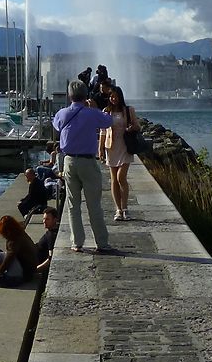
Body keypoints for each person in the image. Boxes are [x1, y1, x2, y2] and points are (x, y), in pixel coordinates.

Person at [52, 78, 117, 254]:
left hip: (69, 161)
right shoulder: (91, 113)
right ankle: (101, 243)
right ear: (86, 95)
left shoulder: (62, 113)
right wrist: (95, 108)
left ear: (69, 95)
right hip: (88, 161)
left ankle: (77, 242)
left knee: (73, 204)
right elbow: (108, 122)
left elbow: (56, 125)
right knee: (94, 205)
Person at [99, 85, 138, 221]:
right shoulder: (106, 111)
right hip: (111, 147)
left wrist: (131, 127)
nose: (113, 98)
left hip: (126, 147)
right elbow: (103, 132)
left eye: (115, 96)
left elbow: (137, 125)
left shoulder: (128, 110)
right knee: (114, 179)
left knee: (121, 177)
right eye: (111, 96)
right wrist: (100, 149)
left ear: (120, 97)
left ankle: (125, 207)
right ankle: (118, 210)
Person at [34, 205, 59, 273]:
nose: (44, 221)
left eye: (47, 219)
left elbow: (50, 258)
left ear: (55, 219)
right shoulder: (51, 231)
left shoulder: (52, 236)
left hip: (31, 261)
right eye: (44, 219)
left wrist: (36, 270)